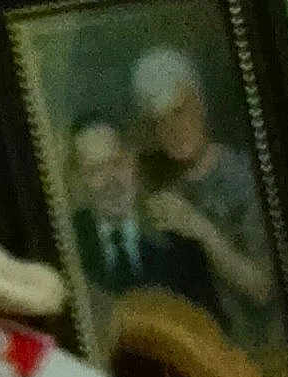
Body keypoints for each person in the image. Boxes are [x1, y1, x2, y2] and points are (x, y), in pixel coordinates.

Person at [131, 45, 279, 355]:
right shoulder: (157, 189)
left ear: (200, 106)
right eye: (159, 120)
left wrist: (200, 228)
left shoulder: (244, 177)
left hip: (255, 350)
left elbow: (263, 288)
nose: (173, 128)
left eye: (179, 111)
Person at [67, 115, 223, 327]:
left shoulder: (177, 230)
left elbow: (212, 328)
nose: (111, 180)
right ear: (79, 180)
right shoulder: (68, 240)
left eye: (117, 163)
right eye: (95, 170)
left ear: (133, 162)